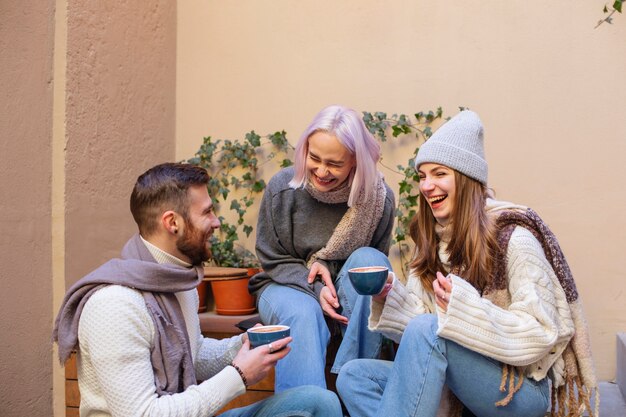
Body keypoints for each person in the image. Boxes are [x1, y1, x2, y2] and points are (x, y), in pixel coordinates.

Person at [336, 110, 598, 417]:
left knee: (427, 330)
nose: (426, 186)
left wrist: (465, 311)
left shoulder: (515, 239)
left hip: (517, 387)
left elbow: (541, 334)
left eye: (439, 174)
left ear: (466, 178)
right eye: (422, 176)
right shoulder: (432, 242)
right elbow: (422, 337)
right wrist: (390, 299)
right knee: (355, 376)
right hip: (458, 381)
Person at [53, 162, 342, 417]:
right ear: (172, 223)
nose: (216, 222)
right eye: (207, 212)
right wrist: (238, 375)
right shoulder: (115, 306)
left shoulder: (178, 280)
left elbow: (194, 353)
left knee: (318, 402)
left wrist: (242, 346)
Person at [248, 105, 396, 392]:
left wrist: (328, 273)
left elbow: (370, 271)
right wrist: (317, 289)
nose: (321, 170)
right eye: (314, 157)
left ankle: (355, 382)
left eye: (335, 164)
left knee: (370, 259)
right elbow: (272, 258)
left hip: (344, 291)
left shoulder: (378, 200)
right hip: (284, 285)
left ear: (356, 161)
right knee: (304, 313)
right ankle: (304, 410)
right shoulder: (283, 188)